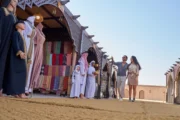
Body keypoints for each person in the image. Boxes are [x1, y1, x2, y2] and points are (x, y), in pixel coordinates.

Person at [3, 20, 27, 98]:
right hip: (16, 57)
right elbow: (15, 43)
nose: (24, 25)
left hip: (21, 57)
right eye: (22, 24)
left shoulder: (21, 35)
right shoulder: (16, 33)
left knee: (21, 74)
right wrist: (19, 52)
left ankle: (19, 92)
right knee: (16, 74)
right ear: (17, 25)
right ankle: (18, 92)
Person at [0, 0, 18, 96]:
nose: (16, 2)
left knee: (7, 65)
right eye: (14, 0)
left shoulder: (14, 16)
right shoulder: (2, 11)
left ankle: (4, 88)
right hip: (3, 41)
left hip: (10, 45)